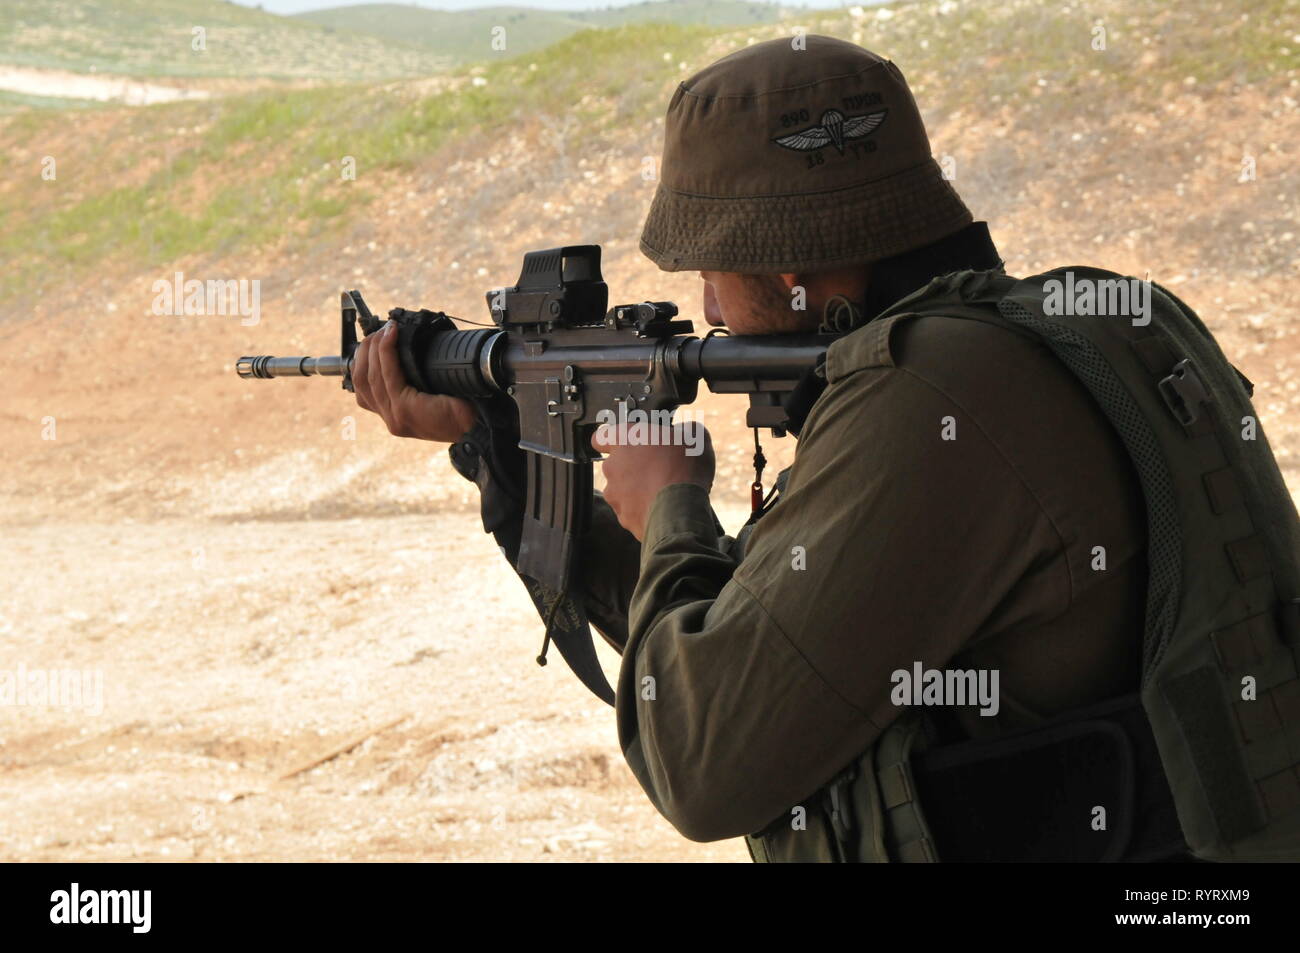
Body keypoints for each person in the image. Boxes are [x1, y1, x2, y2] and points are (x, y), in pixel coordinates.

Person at [351, 36, 1176, 861]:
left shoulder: (930, 394)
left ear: (788, 259)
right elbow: (760, 636)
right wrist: (497, 444)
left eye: (712, 264)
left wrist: (669, 505)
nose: (704, 301)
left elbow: (701, 762)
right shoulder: (1069, 327)